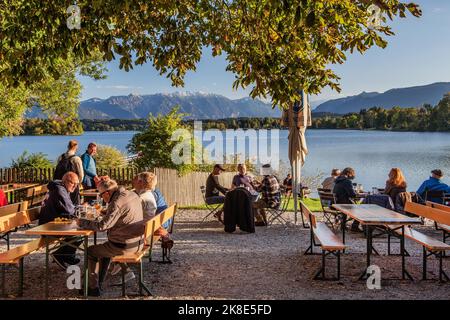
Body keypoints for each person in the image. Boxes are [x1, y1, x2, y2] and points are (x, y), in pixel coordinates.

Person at [76, 178, 145, 296]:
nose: (102, 198)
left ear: (107, 193)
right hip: (138, 242)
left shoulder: (117, 201)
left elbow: (103, 226)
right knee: (103, 250)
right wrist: (105, 213)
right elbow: (120, 214)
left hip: (124, 246)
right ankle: (98, 283)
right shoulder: (131, 193)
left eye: (102, 195)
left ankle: (92, 288)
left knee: (91, 251)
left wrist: (82, 222)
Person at [39, 172, 82, 269]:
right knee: (78, 235)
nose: (75, 186)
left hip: (53, 223)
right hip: (48, 227)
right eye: (73, 183)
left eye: (77, 184)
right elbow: (69, 210)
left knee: (78, 233)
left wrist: (78, 208)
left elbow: (69, 208)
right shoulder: (59, 190)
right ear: (65, 181)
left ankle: (67, 256)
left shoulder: (60, 187)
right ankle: (59, 255)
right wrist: (80, 209)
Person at [55, 140, 84, 205]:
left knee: (62, 204)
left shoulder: (61, 157)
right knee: (74, 205)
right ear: (76, 147)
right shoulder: (76, 159)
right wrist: (77, 184)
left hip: (61, 186)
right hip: (72, 186)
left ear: (68, 146)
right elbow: (81, 175)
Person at [333, 167, 361, 232]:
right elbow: (352, 195)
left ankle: (343, 225)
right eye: (352, 174)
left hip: (336, 203)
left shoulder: (338, 180)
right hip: (344, 204)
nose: (353, 176)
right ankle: (355, 227)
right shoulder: (347, 181)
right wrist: (357, 193)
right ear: (348, 173)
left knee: (356, 207)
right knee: (361, 210)